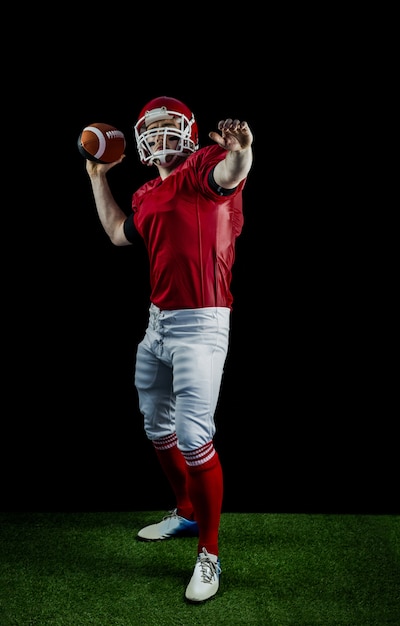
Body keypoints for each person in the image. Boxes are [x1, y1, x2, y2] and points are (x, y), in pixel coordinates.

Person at [84, 96, 253, 603]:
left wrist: (243, 152)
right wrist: (97, 178)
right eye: (151, 129)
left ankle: (211, 553)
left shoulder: (203, 164)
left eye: (167, 127)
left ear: (188, 131)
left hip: (202, 323)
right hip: (158, 321)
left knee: (194, 435)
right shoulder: (147, 192)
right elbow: (118, 234)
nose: (160, 136)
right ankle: (185, 511)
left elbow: (231, 172)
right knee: (156, 425)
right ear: (140, 140)